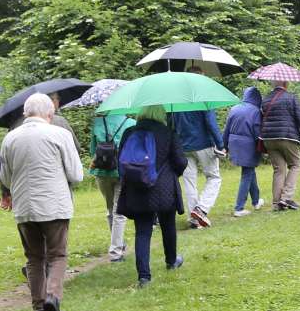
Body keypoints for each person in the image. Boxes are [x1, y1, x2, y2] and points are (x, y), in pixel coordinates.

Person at [0, 92, 83, 311]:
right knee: (57, 254)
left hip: (25, 207)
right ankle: (52, 297)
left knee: (34, 257)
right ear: (50, 113)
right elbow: (76, 175)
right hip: (54, 206)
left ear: (26, 113)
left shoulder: (10, 139)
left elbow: (5, 176)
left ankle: (38, 308)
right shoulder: (60, 134)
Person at [116, 106, 187, 285]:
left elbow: (121, 162)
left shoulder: (129, 132)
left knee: (142, 231)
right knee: (168, 225)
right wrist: (172, 172)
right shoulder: (167, 132)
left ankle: (144, 276)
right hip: (164, 188)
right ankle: (171, 261)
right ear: (161, 114)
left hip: (137, 188)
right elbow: (180, 162)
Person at [89, 111, 133, 261]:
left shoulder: (98, 123)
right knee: (119, 212)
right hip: (122, 171)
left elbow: (92, 150)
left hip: (101, 172)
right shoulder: (130, 123)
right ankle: (115, 252)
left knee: (110, 210)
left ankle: (118, 243)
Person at [171, 106, 224, 229]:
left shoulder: (176, 102)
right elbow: (211, 123)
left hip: (184, 146)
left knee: (189, 181)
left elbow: (171, 125)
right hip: (204, 144)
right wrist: (220, 144)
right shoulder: (203, 99)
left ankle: (193, 219)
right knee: (214, 177)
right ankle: (201, 208)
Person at [258, 81, 300, 210]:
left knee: (278, 169)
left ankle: (276, 203)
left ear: (273, 84)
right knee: (296, 165)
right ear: (286, 83)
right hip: (287, 136)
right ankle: (286, 198)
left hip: (268, 138)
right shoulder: (291, 97)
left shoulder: (265, 99)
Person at [223, 87, 265, 217]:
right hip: (248, 145)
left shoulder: (235, 108)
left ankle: (256, 201)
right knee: (247, 174)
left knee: (249, 171)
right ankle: (239, 208)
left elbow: (227, 129)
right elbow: (257, 131)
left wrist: (224, 146)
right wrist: (263, 147)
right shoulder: (256, 111)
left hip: (234, 143)